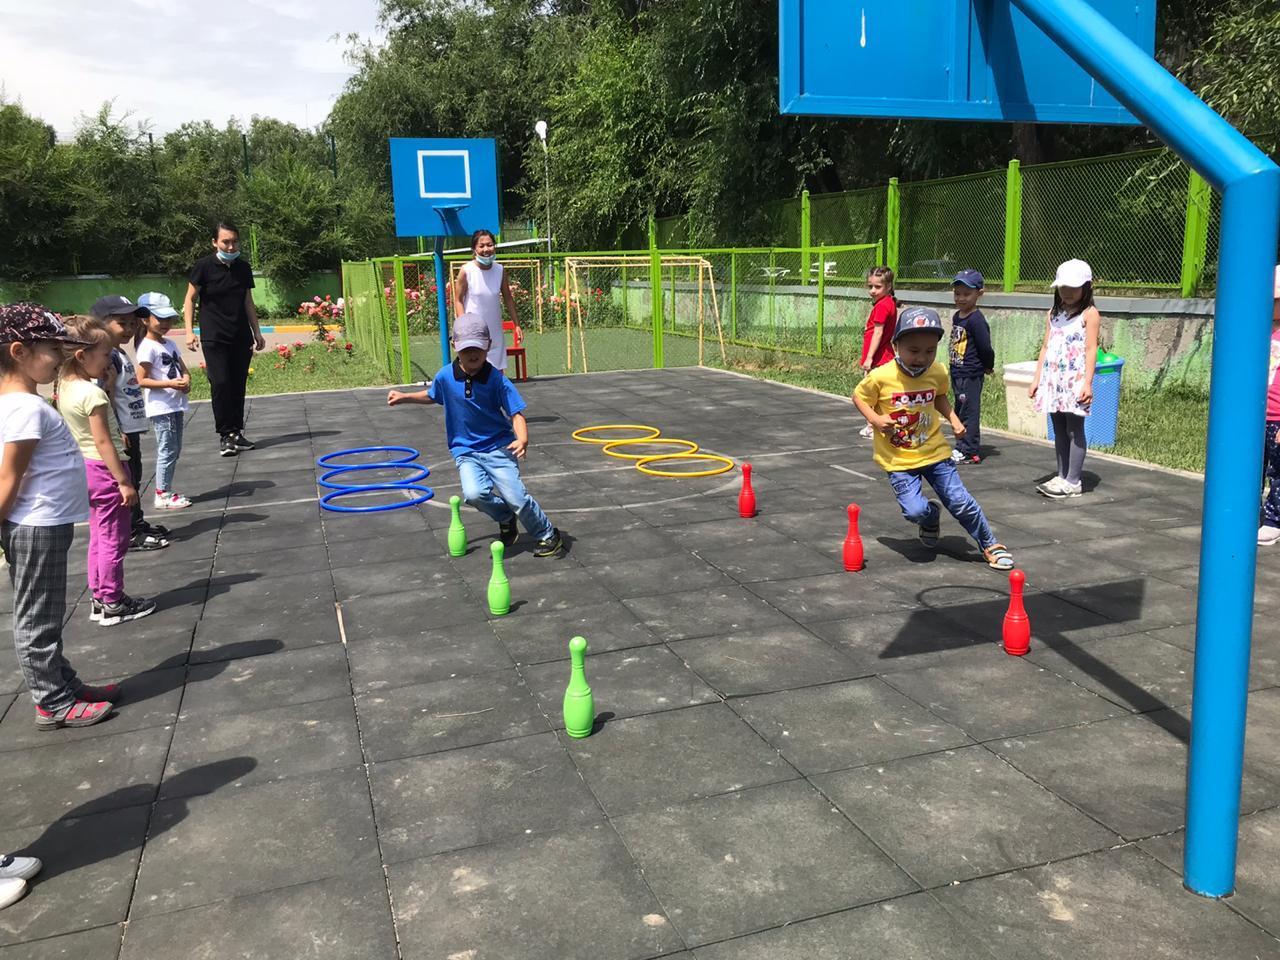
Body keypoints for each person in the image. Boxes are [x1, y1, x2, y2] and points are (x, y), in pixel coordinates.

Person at [0, 303, 117, 730]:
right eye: (52, 348)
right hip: (36, 527)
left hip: (43, 524)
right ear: (19, 351)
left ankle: (63, 683)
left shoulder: (21, 403)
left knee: (45, 613)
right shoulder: (25, 409)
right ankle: (52, 702)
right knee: (38, 619)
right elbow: (8, 480)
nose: (61, 356)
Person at [386, 313, 563, 557]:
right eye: (466, 349)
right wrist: (405, 397)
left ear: (488, 345)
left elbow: (516, 413)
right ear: (454, 346)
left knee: (517, 497)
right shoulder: (446, 376)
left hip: (499, 448)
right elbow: (433, 395)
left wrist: (522, 438)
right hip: (466, 451)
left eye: (477, 349)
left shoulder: (496, 380)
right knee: (473, 494)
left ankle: (548, 535)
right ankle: (504, 516)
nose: (472, 355)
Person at [853, 305, 1014, 571]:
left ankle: (989, 543)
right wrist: (875, 419)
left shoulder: (937, 371)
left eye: (929, 351)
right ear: (896, 347)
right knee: (913, 511)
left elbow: (938, 396)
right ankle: (930, 517)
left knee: (959, 501)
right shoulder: (881, 377)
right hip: (900, 460)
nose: (921, 358)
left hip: (935, 453)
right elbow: (859, 397)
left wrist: (953, 419)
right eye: (913, 351)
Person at [55, 316, 156, 627]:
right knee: (115, 538)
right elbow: (102, 441)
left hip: (84, 468)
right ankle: (113, 601)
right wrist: (124, 481)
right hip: (105, 470)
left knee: (100, 535)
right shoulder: (91, 395)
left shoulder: (66, 386)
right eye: (104, 356)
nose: (108, 362)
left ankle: (100, 596)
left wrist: (108, 385)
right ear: (82, 356)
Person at [90, 295, 169, 551]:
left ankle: (137, 521)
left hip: (130, 429)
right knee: (127, 480)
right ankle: (131, 531)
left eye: (133, 323)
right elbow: (102, 397)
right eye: (121, 323)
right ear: (100, 324)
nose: (129, 329)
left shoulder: (117, 352)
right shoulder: (105, 358)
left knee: (135, 476)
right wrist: (117, 429)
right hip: (121, 431)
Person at [183, 221, 265, 458]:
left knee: (238, 384)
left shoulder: (243, 268)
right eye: (225, 241)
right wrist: (189, 331)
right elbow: (190, 299)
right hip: (214, 336)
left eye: (234, 241)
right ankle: (225, 434)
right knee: (220, 383)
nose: (230, 246)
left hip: (240, 336)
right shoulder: (204, 267)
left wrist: (256, 332)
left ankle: (236, 432)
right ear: (214, 242)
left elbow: (247, 301)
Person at [1029, 259, 1101, 499]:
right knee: (1058, 428)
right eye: (1063, 288)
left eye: (1073, 287)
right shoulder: (1053, 314)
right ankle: (1061, 475)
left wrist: (1087, 382)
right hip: (1054, 380)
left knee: (1074, 428)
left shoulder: (1090, 315)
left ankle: (1073, 480)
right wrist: (1037, 378)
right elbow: (1045, 346)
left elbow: (1091, 349)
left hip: (1074, 380)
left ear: (1086, 287)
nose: (1067, 293)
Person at [135, 293, 192, 510]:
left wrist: (186, 380)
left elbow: (183, 369)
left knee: (174, 449)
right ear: (145, 320)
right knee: (167, 449)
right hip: (162, 406)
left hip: (175, 404)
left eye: (168, 319)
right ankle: (162, 493)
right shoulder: (147, 346)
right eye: (160, 319)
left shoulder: (169, 344)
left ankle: (165, 489)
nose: (165, 324)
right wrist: (169, 385)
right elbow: (141, 380)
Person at [451, 229, 519, 374]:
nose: (486, 249)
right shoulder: (467, 270)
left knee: (497, 376)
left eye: (489, 245)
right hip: (473, 334)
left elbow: (508, 298)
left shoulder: (500, 270)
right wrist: (464, 327)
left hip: (494, 333)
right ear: (474, 249)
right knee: (473, 373)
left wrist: (516, 325)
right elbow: (458, 300)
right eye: (481, 246)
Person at [947, 269, 995, 465]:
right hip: (957, 370)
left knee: (969, 411)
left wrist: (987, 365)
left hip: (971, 372)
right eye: (958, 294)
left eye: (967, 294)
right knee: (960, 409)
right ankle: (961, 445)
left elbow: (985, 347)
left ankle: (969, 450)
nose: (961, 298)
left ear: (979, 293)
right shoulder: (958, 316)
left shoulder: (977, 320)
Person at [857, 266, 899, 438]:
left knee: (868, 394)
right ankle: (876, 424)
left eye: (877, 287)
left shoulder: (883, 306)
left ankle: (873, 424)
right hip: (883, 356)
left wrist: (869, 358)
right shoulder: (888, 302)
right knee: (879, 393)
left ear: (888, 286)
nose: (872, 291)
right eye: (870, 286)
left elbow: (878, 332)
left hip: (879, 358)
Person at [1259, 265, 1280, 547]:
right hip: (1256, 416)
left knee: (1278, 472)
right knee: (1252, 468)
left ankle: (1274, 519)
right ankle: (1251, 514)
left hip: (1278, 418)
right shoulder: (1261, 333)